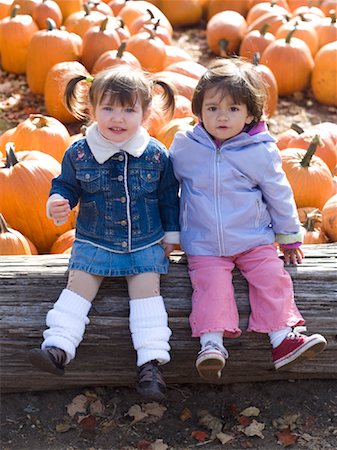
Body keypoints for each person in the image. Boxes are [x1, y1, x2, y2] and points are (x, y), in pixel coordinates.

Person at [169, 57, 327, 380]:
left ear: (250, 113)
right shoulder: (185, 148)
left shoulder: (259, 150)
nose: (221, 116)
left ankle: (283, 338)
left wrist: (289, 236)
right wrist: (168, 235)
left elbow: (279, 195)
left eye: (232, 109)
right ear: (198, 111)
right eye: (212, 108)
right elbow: (166, 193)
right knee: (210, 286)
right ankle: (211, 345)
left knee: (272, 278)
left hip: (255, 239)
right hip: (205, 243)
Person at [29, 66, 180, 400]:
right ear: (92, 107)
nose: (118, 117)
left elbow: (168, 196)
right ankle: (58, 347)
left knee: (147, 294)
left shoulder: (156, 155)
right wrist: (58, 201)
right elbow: (65, 184)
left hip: (143, 243)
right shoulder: (79, 152)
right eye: (108, 108)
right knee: (77, 288)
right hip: (94, 241)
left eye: (129, 109)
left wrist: (171, 233)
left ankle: (151, 363)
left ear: (145, 113)